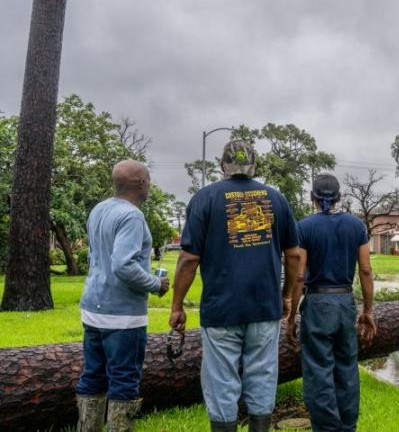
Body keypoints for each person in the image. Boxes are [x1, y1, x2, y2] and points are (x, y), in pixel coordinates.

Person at [169, 140, 302, 432]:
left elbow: (188, 259)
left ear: (222, 166)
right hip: (265, 306)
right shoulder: (276, 199)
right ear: (254, 165)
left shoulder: (205, 198)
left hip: (221, 308)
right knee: (263, 376)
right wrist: (287, 296)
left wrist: (177, 305)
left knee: (221, 381)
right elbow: (293, 255)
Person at [76, 160, 170, 432]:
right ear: (140, 183)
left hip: (93, 308)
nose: (150, 184)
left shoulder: (99, 209)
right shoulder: (131, 216)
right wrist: (155, 283)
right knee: (124, 380)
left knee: (92, 376)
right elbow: (123, 264)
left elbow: (100, 257)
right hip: (122, 317)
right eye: (149, 179)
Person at [286, 174, 376, 432]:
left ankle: (326, 428)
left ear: (312, 197)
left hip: (317, 303)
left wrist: (291, 317)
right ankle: (347, 427)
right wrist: (368, 311)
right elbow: (366, 270)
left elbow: (300, 275)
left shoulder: (303, 227)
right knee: (347, 368)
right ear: (339, 197)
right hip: (345, 302)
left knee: (318, 371)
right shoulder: (356, 226)